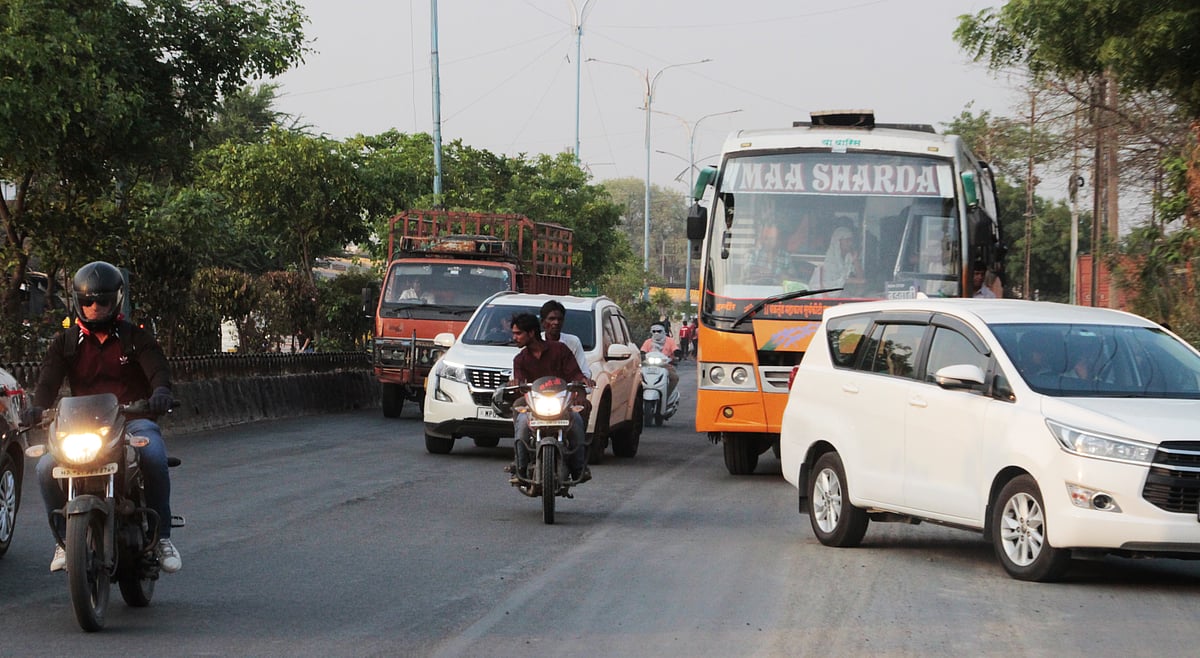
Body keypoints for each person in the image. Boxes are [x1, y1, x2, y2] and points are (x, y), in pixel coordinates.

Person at [25, 261, 181, 574]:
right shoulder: (66, 341)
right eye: (87, 302)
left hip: (130, 418)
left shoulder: (135, 337)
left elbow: (158, 371)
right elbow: (47, 382)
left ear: (117, 300)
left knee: (152, 454)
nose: (95, 307)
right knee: (44, 468)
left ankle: (162, 536)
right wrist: (37, 407)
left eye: (103, 301)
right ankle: (63, 540)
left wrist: (161, 392)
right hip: (79, 425)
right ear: (78, 302)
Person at [510, 313, 589, 482]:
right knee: (522, 422)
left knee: (576, 421)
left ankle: (579, 468)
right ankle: (520, 467)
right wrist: (516, 384)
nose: (514, 337)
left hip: (561, 402)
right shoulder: (520, 359)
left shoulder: (559, 349)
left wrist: (582, 383)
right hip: (534, 403)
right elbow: (520, 383)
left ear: (531, 333)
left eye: (518, 333)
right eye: (514, 333)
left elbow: (575, 373)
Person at [540, 300, 590, 382]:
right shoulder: (534, 342)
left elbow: (584, 372)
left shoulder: (573, 342)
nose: (556, 322)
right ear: (543, 322)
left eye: (559, 319)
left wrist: (583, 380)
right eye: (551, 319)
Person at [809, 226, 863, 291]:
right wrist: (855, 281)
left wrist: (855, 260)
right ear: (838, 241)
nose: (850, 243)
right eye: (847, 240)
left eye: (851, 240)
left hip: (842, 294)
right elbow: (833, 282)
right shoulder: (828, 260)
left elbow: (861, 279)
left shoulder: (849, 257)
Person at [640, 324, 679, 394]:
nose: (656, 333)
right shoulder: (648, 342)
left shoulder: (670, 341)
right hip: (648, 366)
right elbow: (642, 351)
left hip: (665, 365)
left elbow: (675, 349)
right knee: (638, 379)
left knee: (674, 378)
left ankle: (667, 394)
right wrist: (642, 356)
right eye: (654, 331)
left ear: (663, 331)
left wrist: (678, 354)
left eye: (659, 331)